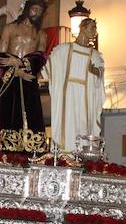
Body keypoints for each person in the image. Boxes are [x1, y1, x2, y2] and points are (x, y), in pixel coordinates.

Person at [0, 0, 50, 153]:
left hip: (29, 77)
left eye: (40, 11)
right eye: (34, 9)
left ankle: (32, 150)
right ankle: (9, 150)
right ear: (27, 9)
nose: (36, 13)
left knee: (31, 112)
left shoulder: (41, 34)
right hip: (10, 78)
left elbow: (40, 57)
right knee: (10, 113)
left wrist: (22, 64)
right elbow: (0, 56)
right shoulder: (10, 28)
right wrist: (15, 70)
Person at [42, 18, 105, 152]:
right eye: (92, 27)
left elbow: (100, 73)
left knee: (83, 125)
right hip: (67, 96)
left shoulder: (94, 54)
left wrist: (94, 70)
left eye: (95, 28)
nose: (95, 31)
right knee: (67, 124)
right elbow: (48, 68)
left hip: (86, 97)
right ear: (82, 27)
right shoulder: (64, 49)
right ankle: (65, 153)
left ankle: (83, 152)